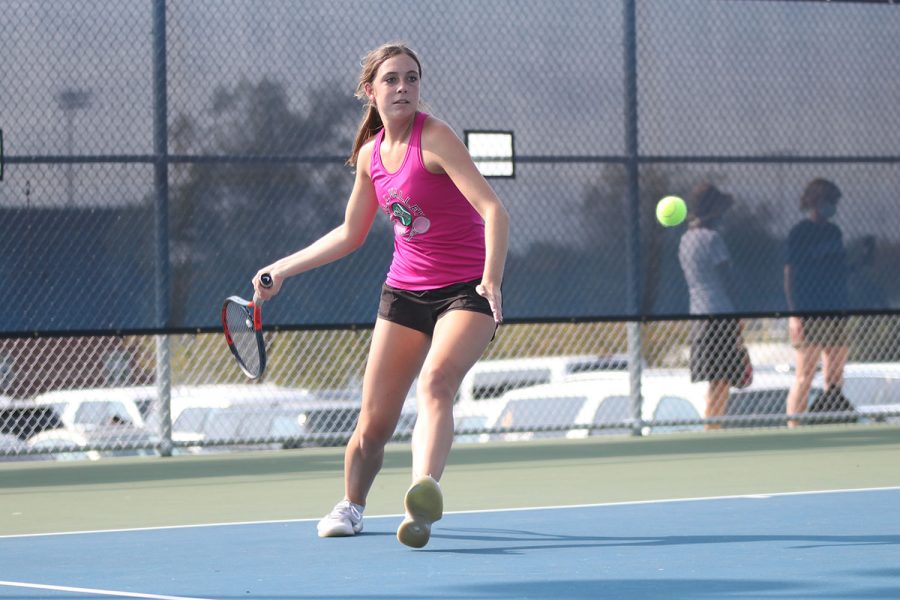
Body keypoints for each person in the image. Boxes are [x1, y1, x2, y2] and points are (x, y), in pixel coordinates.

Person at [252, 42, 509, 548]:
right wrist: (281, 269)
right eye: (392, 80)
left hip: (467, 291)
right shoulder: (371, 156)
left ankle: (423, 491)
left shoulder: (435, 139)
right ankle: (351, 505)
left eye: (411, 78)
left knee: (436, 381)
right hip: (405, 294)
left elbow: (494, 211)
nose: (403, 88)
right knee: (373, 424)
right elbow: (350, 233)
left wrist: (491, 278)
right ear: (370, 91)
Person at [784, 178, 853, 427]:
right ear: (815, 202)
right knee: (804, 377)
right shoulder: (800, 233)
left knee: (835, 377)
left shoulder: (835, 232)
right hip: (809, 312)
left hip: (837, 310)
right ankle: (794, 430)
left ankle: (832, 424)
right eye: (828, 201)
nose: (832, 207)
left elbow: (839, 270)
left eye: (834, 202)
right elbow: (789, 275)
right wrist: (794, 315)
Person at [678, 183, 745, 430]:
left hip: (698, 317)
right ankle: (711, 432)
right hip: (720, 316)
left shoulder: (685, 240)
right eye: (719, 209)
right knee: (721, 380)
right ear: (712, 210)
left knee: (716, 380)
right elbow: (728, 278)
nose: (722, 214)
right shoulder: (713, 238)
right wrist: (739, 314)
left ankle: (712, 429)